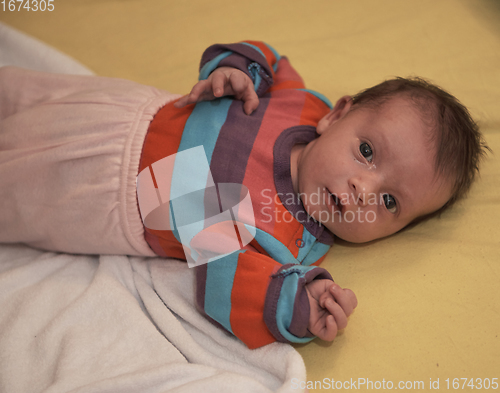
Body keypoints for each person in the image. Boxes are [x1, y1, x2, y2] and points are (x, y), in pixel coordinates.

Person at [0, 41, 486, 349]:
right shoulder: (300, 103)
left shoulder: (283, 238)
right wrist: (238, 71)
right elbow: (272, 59)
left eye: (390, 203)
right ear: (337, 116)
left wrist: (300, 302)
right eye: (366, 151)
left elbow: (224, 281)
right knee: (19, 90)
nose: (365, 190)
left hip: (103, 189)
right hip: (132, 106)